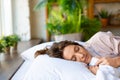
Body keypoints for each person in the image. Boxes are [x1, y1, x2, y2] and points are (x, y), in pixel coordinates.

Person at [34, 31, 120, 74]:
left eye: (77, 49)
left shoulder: (100, 40)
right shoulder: (82, 70)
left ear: (78, 44)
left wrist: (116, 61)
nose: (81, 55)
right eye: (74, 59)